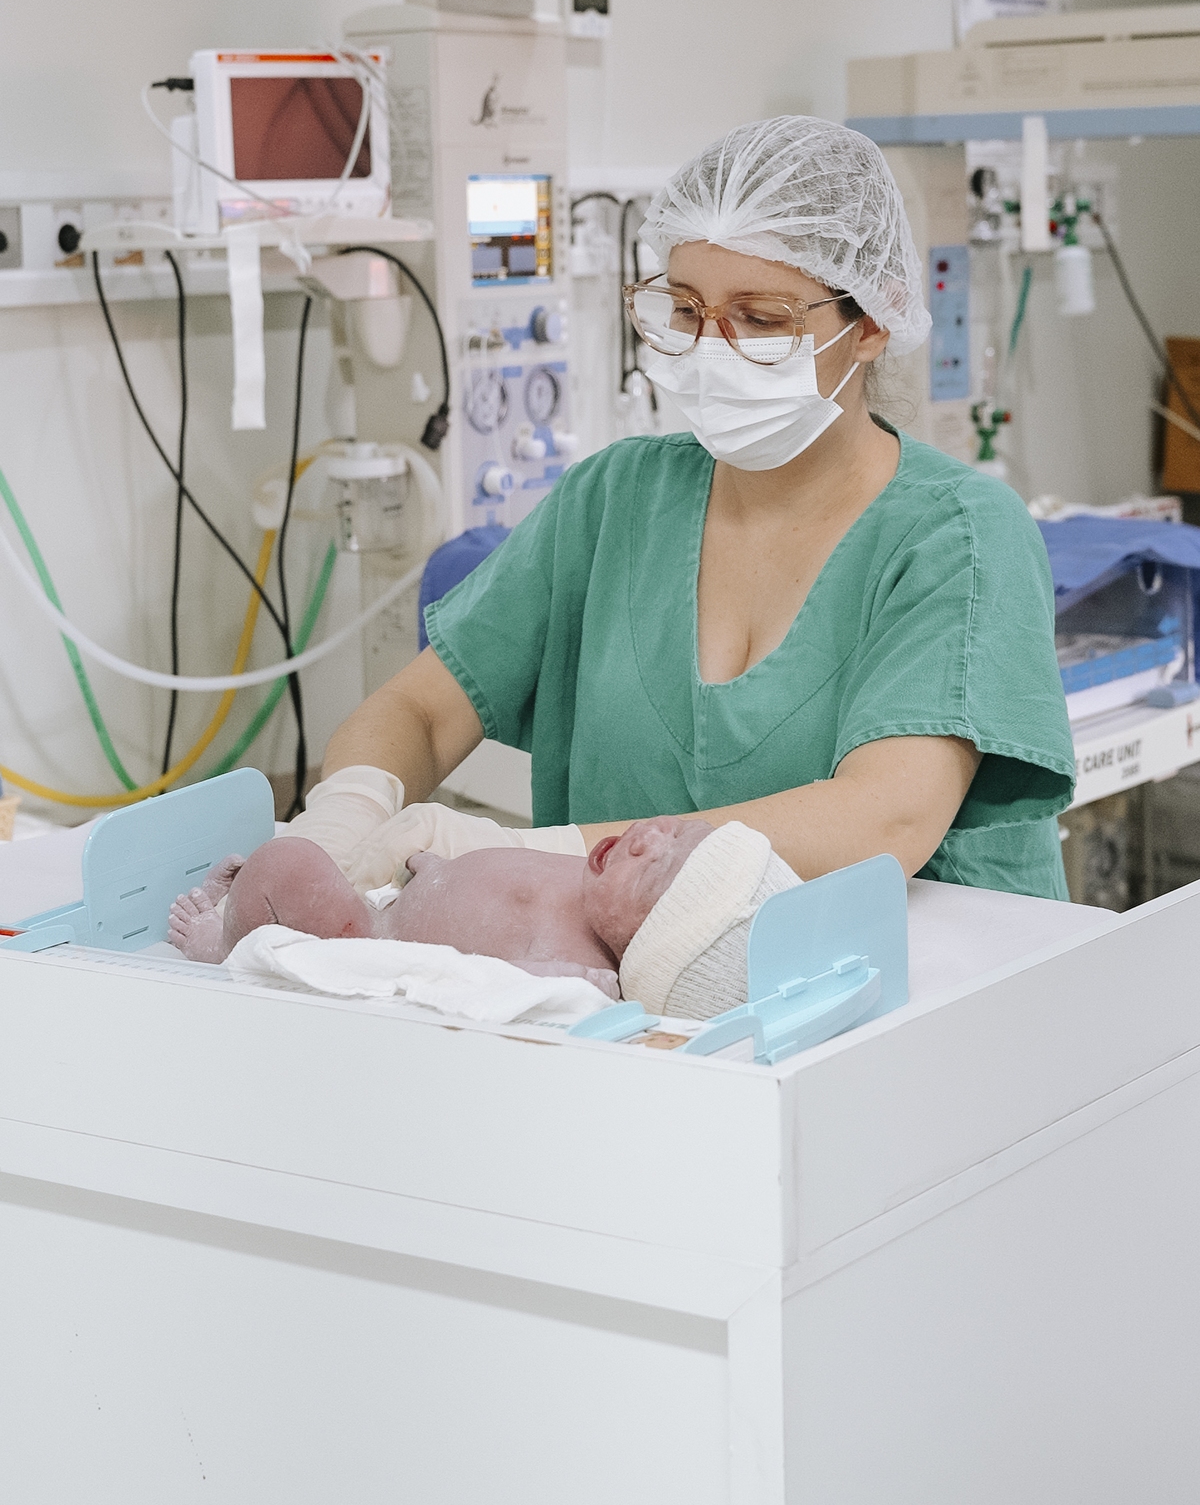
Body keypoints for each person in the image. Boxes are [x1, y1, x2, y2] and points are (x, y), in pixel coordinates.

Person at [319, 116, 1075, 899]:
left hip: (915, 968)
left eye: (762, 319)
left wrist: (545, 855)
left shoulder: (959, 535)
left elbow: (882, 819)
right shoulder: (611, 501)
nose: (714, 349)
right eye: (684, 309)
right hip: (635, 973)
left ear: (872, 324)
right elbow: (420, 710)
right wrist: (349, 807)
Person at [168, 814, 799, 1020]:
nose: (647, 837)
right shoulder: (599, 881)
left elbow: (493, 989)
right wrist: (440, 875)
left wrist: (559, 980)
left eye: (654, 870)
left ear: (651, 946)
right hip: (411, 889)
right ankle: (247, 906)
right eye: (678, 829)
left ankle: (223, 943)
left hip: (367, 931)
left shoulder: (579, 971)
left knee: (290, 861)